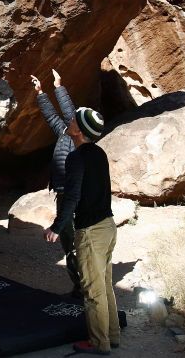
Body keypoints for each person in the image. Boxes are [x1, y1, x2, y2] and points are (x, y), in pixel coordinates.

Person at [43, 107, 120, 356]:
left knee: (92, 291)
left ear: (79, 131)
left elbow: (72, 195)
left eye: (74, 120)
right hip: (108, 226)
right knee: (105, 285)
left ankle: (99, 343)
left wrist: (58, 226)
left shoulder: (76, 158)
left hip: (91, 232)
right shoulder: (100, 153)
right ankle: (113, 336)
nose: (70, 121)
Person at [30, 69, 81, 297]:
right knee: (69, 245)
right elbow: (52, 117)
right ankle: (79, 287)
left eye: (74, 121)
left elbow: (69, 112)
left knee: (74, 243)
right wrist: (41, 92)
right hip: (63, 194)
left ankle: (84, 289)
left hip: (72, 196)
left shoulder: (78, 140)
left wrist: (59, 86)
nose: (69, 121)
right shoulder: (65, 133)